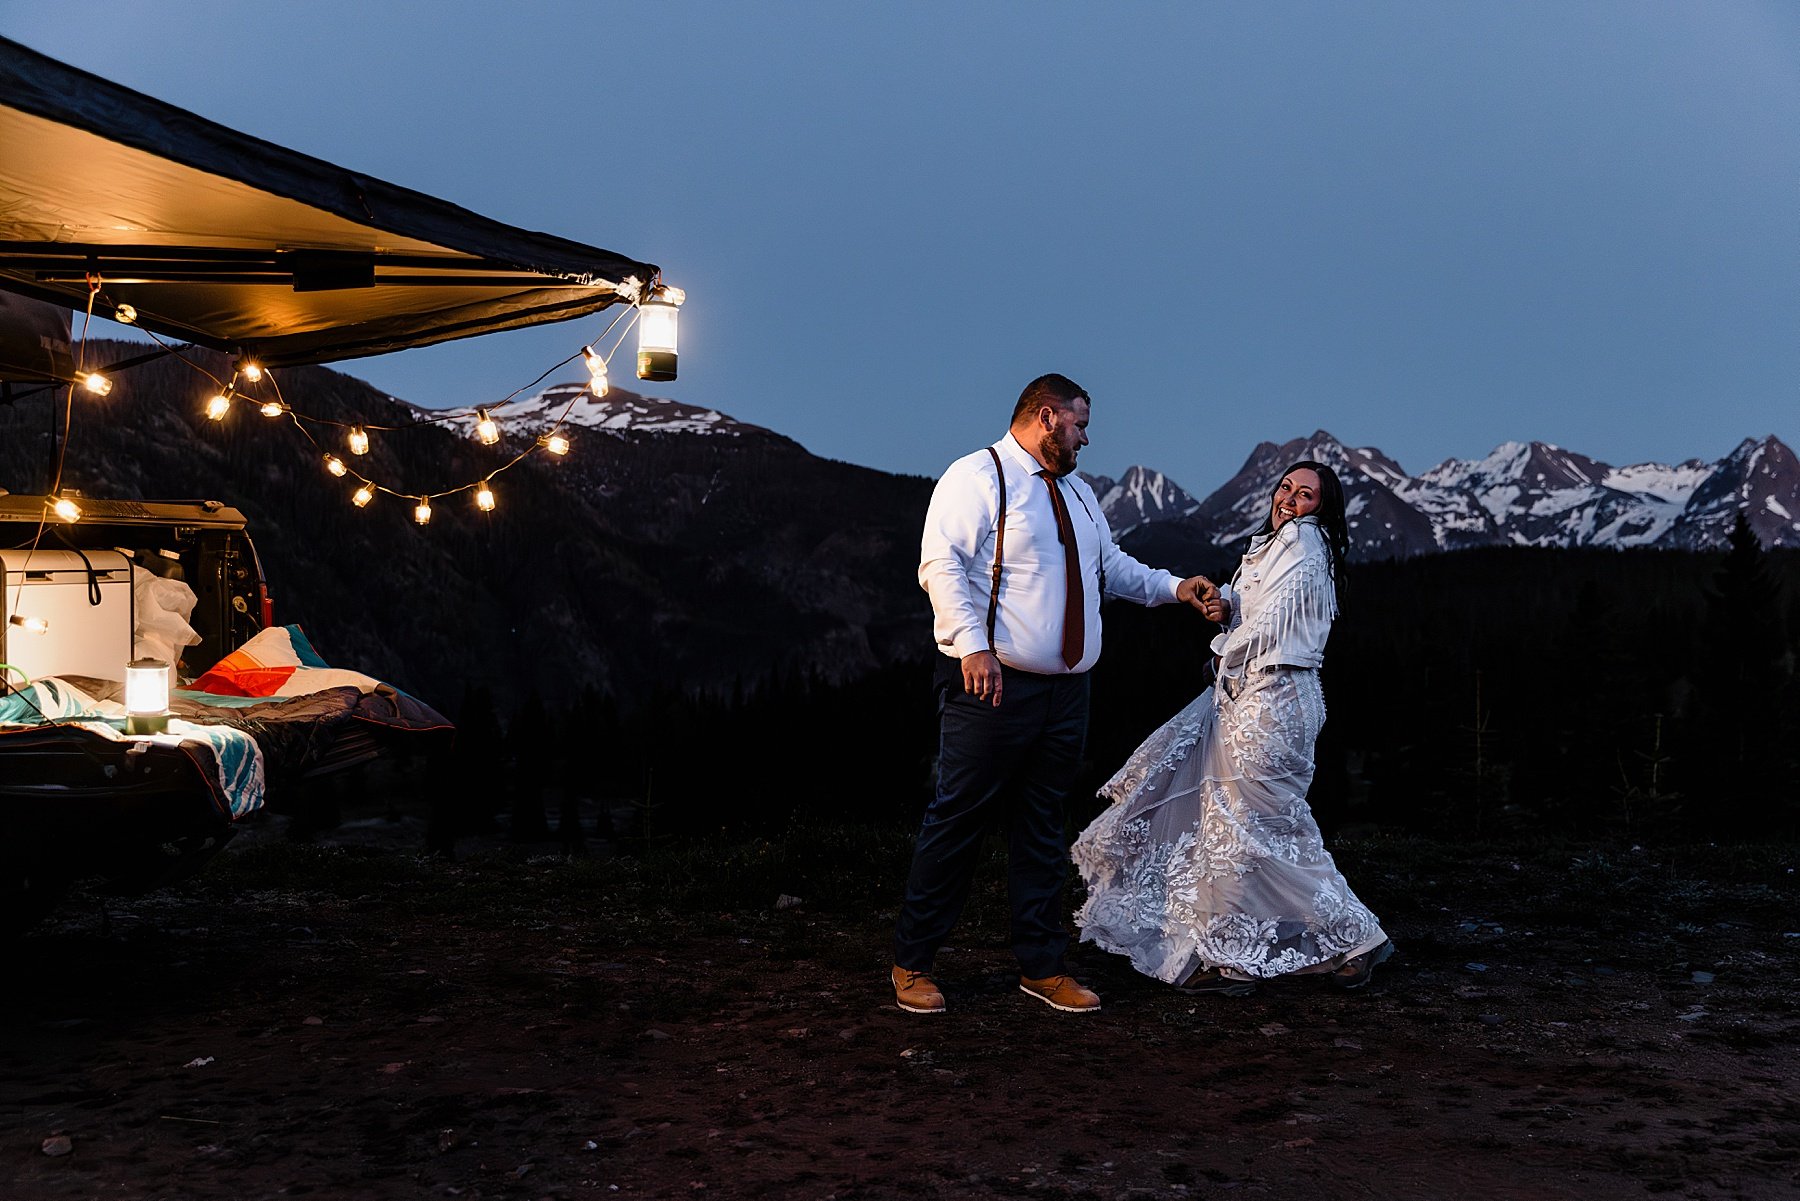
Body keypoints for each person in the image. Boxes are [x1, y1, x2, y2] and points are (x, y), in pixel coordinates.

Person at [892, 373, 1220, 1015]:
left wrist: (1176, 587)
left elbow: (1110, 567)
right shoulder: (977, 476)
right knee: (957, 823)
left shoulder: (1078, 492)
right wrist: (972, 646)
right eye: (1080, 425)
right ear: (1046, 416)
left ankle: (1041, 967)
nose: (1086, 438)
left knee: (1043, 831)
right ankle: (912, 963)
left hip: (1067, 692)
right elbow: (941, 563)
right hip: (990, 685)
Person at [1071, 460, 1393, 995]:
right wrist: (1226, 605)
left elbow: (1275, 625)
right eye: (1286, 487)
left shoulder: (1305, 545)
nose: (1290, 499)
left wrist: (1223, 648)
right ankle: (1242, 947)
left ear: (1323, 508)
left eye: (1306, 495)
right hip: (1255, 697)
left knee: (1256, 825)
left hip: (1274, 700)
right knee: (1246, 824)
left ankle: (1345, 936)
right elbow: (1256, 607)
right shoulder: (1273, 545)